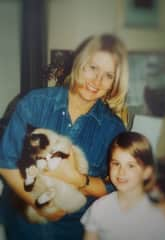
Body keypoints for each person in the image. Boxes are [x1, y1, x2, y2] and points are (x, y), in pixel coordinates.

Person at [0, 33, 128, 240]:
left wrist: (77, 180)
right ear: (80, 64)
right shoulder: (35, 104)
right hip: (25, 225)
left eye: (108, 75)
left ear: (114, 83)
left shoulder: (114, 129)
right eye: (93, 68)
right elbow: (6, 163)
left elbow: (118, 185)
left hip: (73, 231)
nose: (97, 80)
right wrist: (43, 206)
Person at [81, 131, 165, 240]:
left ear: (147, 172)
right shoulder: (99, 208)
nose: (121, 172)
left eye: (131, 166)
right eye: (116, 164)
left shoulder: (159, 214)